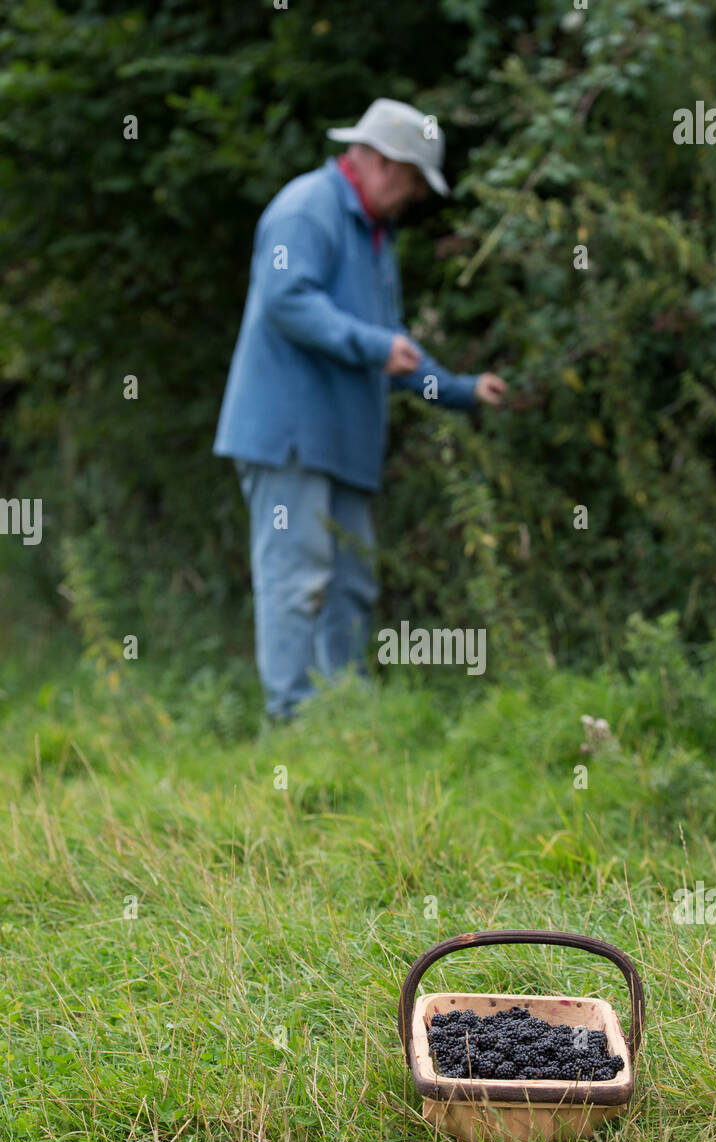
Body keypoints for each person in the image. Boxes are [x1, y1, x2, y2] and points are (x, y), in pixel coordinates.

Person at [213, 98, 507, 720]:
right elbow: (287, 301)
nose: (414, 198)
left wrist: (458, 389)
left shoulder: (374, 233)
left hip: (343, 441)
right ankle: (291, 724)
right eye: (411, 182)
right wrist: (375, 346)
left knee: (350, 581)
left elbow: (390, 344)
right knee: (297, 579)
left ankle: (345, 715)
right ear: (376, 160)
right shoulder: (305, 211)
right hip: (289, 437)